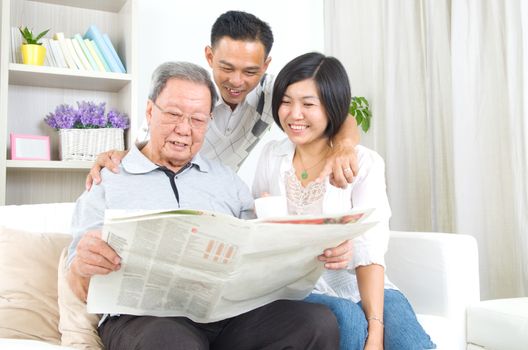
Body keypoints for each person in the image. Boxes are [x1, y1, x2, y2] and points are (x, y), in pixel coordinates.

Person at [66, 61, 341, 350]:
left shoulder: (228, 181)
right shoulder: (107, 179)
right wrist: (81, 267)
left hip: (227, 317)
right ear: (150, 111)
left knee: (316, 323)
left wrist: (317, 248)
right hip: (144, 321)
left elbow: (263, 255)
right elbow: (79, 286)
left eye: (198, 119)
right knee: (172, 342)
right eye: (173, 114)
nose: (184, 129)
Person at [252, 52, 436, 350]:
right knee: (348, 321)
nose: (294, 114)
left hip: (357, 284)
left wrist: (375, 331)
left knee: (409, 342)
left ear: (333, 106)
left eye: (308, 104)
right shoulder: (272, 157)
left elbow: (369, 250)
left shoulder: (364, 163)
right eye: (286, 102)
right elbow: (257, 227)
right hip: (298, 288)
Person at [86, 10, 361, 190]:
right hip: (172, 183)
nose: (237, 82)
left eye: (250, 71)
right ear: (209, 57)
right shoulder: (193, 95)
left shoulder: (277, 94)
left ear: (265, 66)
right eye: (227, 68)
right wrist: (123, 157)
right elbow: (153, 144)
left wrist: (345, 146)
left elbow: (339, 115)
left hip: (218, 189)